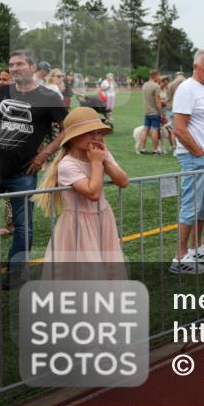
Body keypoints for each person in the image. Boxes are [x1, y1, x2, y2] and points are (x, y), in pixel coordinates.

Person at [0, 49, 68, 275]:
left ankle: (15, 271)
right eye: (12, 64)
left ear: (32, 67)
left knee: (23, 227)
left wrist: (44, 154)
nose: (14, 68)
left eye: (19, 64)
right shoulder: (1, 92)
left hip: (23, 173)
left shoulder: (49, 97)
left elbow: (67, 130)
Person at [36, 107, 129, 280]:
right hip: (78, 224)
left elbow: (123, 181)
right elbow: (92, 193)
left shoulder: (101, 155)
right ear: (72, 138)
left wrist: (105, 161)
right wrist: (96, 162)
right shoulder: (68, 164)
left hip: (103, 218)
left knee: (106, 267)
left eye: (98, 133)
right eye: (89, 133)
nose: (96, 137)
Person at [171, 49, 204, 274]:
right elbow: (179, 129)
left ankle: (196, 247)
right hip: (196, 157)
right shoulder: (186, 89)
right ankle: (180, 257)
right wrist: (199, 154)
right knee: (191, 205)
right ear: (195, 67)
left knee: (203, 206)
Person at [138, 70, 165, 155]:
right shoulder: (156, 86)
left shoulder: (145, 85)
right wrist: (161, 113)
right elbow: (158, 101)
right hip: (154, 112)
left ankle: (143, 148)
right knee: (155, 130)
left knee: (145, 129)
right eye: (159, 75)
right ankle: (155, 149)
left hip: (147, 111)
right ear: (155, 75)